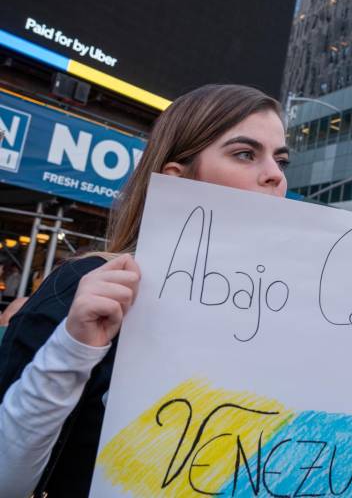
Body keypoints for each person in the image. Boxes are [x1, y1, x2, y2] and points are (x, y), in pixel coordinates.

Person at [0, 84, 290, 497]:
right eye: (245, 154)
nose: (275, 174)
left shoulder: (291, 307)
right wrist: (72, 350)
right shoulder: (88, 287)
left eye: (281, 159)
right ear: (178, 179)